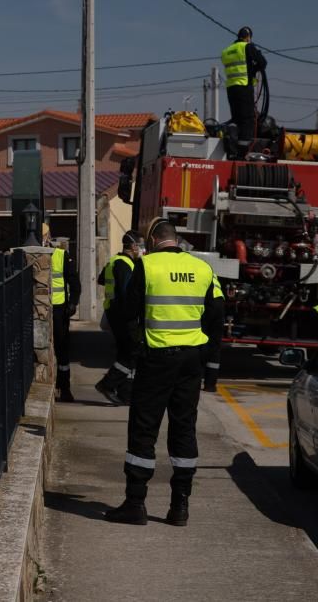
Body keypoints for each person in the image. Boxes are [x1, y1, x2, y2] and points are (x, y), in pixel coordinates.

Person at [105, 220, 224, 527]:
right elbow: (217, 317)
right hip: (191, 361)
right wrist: (209, 366)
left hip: (156, 359)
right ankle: (180, 506)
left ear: (156, 240)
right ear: (177, 240)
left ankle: (135, 503)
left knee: (144, 428)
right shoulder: (203, 269)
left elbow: (128, 313)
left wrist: (136, 347)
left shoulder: (147, 266)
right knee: (184, 428)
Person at [94, 232, 145, 405]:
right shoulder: (125, 265)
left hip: (113, 312)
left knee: (125, 352)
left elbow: (102, 280)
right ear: (134, 246)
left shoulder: (114, 261)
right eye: (141, 245)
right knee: (132, 353)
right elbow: (127, 292)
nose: (143, 249)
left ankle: (124, 394)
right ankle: (107, 384)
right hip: (123, 315)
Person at [221, 26, 267, 143]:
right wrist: (254, 69)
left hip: (231, 88)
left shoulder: (226, 51)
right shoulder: (247, 46)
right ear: (248, 37)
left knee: (236, 119)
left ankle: (233, 146)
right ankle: (244, 150)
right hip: (244, 86)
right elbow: (262, 62)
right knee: (247, 119)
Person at [51, 238, 81, 403]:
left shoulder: (61, 256)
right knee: (60, 350)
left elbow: (75, 283)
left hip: (59, 310)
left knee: (62, 350)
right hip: (48, 310)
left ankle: (64, 387)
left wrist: (72, 303)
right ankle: (61, 386)